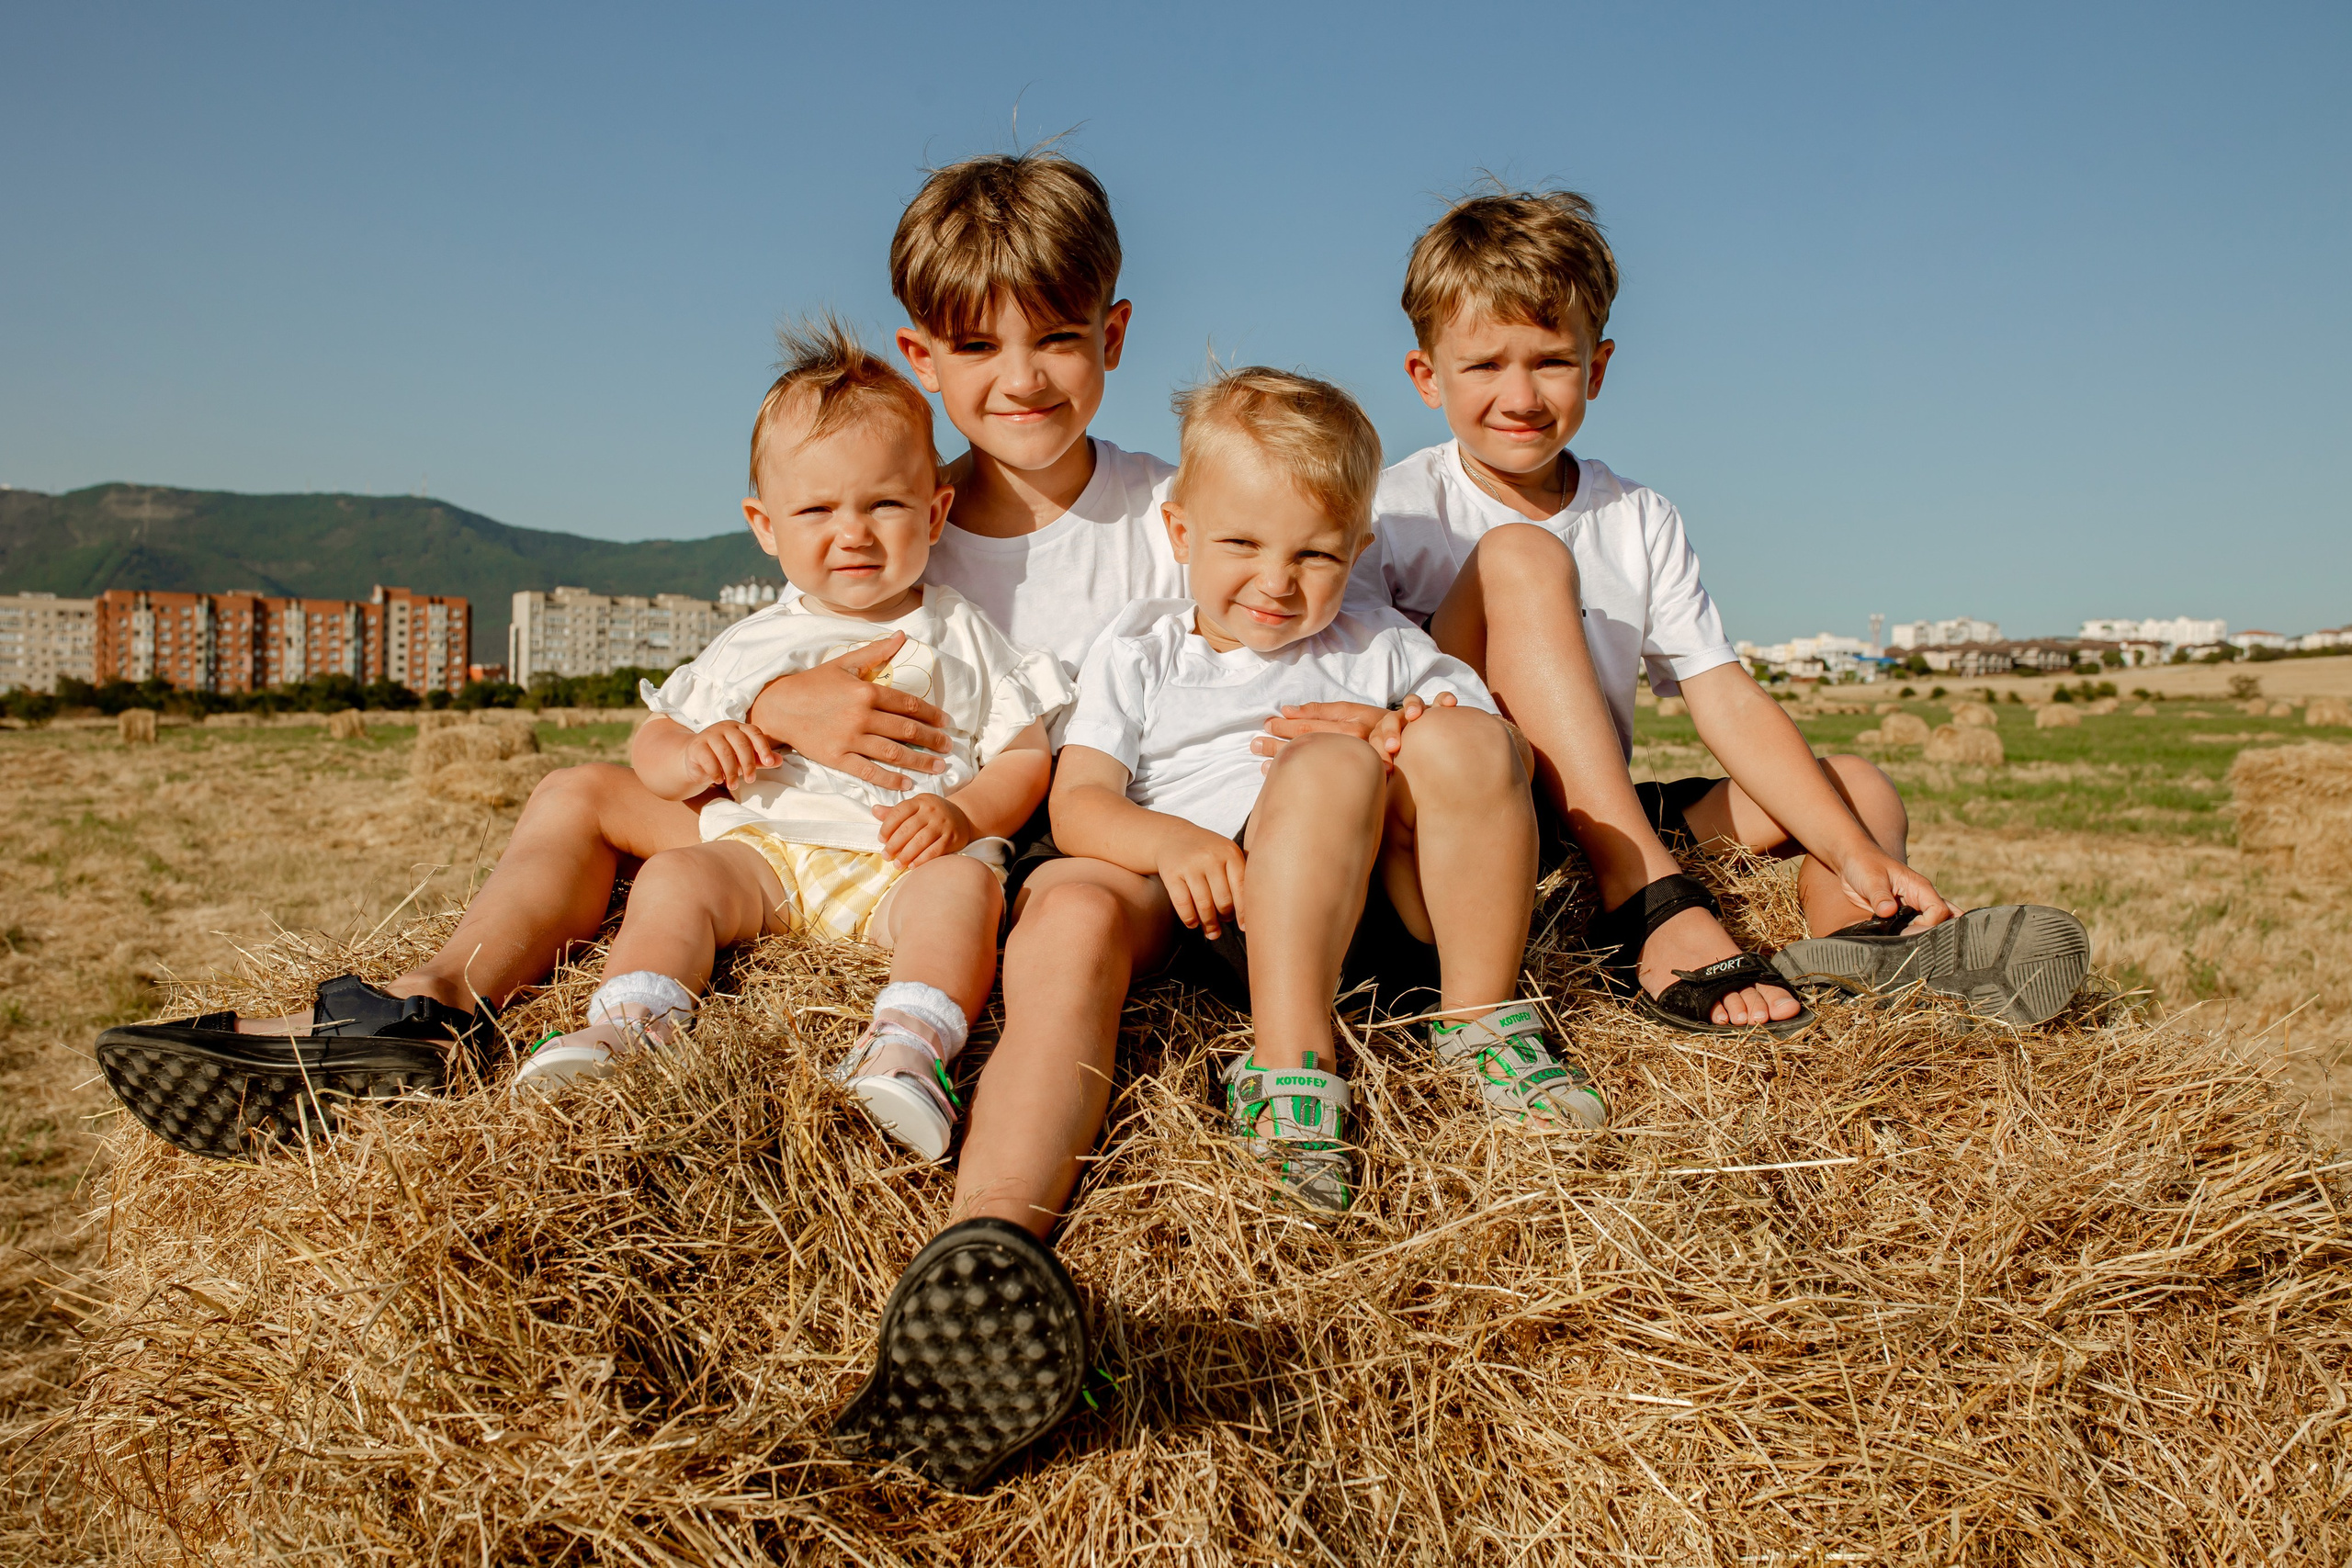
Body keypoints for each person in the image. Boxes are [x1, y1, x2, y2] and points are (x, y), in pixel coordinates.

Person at [97, 147, 1187, 1494]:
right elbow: (760, 653)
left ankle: (985, 1255)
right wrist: (776, 703)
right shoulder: (887, 484)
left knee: (1057, 917)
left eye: (1057, 338)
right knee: (577, 793)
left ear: (1111, 335)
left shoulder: (1163, 514)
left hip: (1020, 841)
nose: (1020, 377)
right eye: (977, 346)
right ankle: (429, 1011)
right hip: (801, 827)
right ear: (924, 357)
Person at [1293, 186, 2086, 1032]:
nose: (1520, 395)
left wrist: (1850, 849)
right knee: (1520, 556)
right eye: (1485, 365)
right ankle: (1644, 900)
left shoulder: (1638, 516)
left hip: (1595, 815)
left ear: (1597, 368)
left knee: (1855, 790)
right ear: (1427, 377)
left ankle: (1861, 944)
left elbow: (1723, 696)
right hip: (1470, 819)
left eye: (1551, 361)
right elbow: (1329, 682)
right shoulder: (1392, 511)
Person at [507, 322, 1070, 1174]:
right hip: (765, 854)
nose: (853, 533)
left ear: (935, 512)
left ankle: (908, 1046)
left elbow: (1024, 754)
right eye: (816, 510)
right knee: (676, 877)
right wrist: (695, 756)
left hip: (900, 864)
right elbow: (654, 742)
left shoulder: (964, 632)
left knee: (963, 893)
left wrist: (962, 815)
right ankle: (631, 1022)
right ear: (765, 526)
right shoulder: (751, 642)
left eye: (884, 505)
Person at [1052, 367, 1606, 1215]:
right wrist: (1169, 841)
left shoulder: (1378, 640)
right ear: (1181, 532)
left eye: (1314, 553)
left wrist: (1396, 729)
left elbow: (1503, 765)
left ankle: (1482, 1019)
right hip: (1241, 917)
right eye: (1243, 545)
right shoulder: (1142, 651)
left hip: (1392, 914)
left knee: (1463, 735)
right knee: (1328, 764)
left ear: (1357, 548)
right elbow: (1078, 803)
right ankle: (1289, 1060)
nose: (1278, 581)